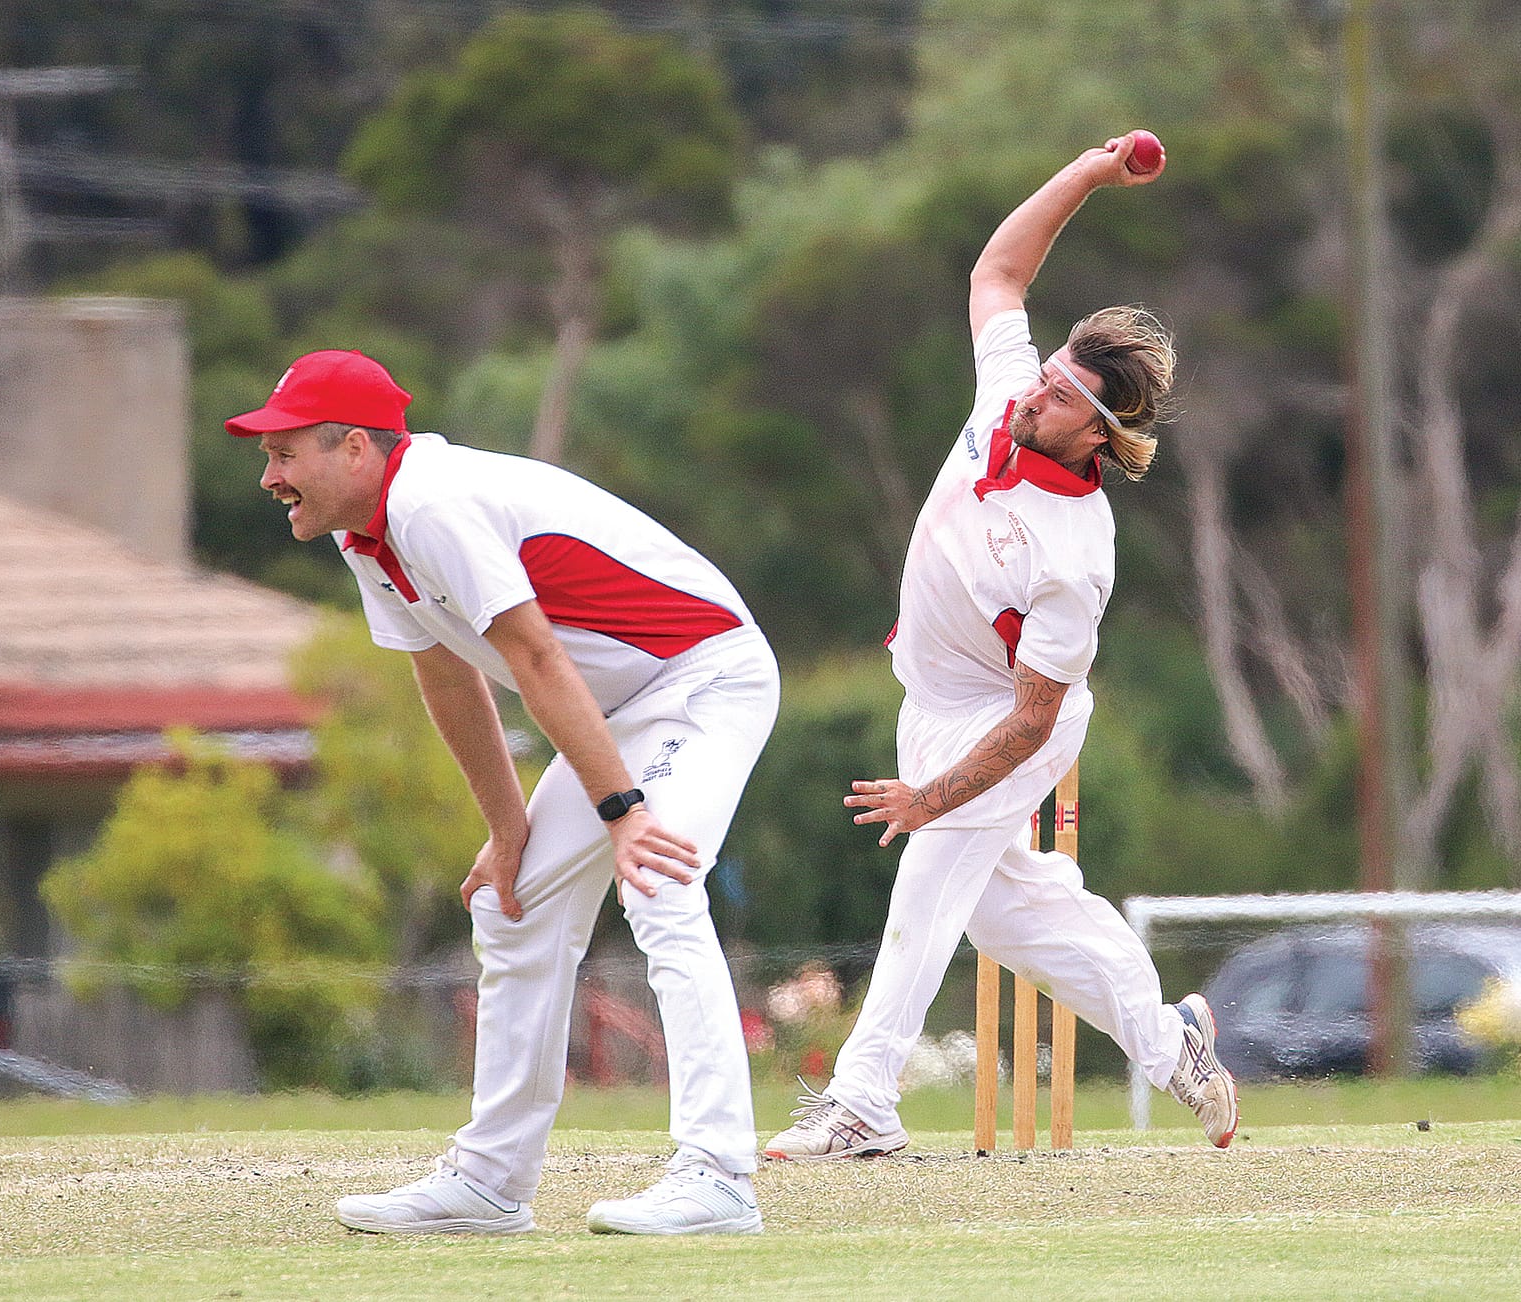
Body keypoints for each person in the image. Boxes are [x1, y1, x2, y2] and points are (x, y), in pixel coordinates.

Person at [762, 132, 1238, 1161]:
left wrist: (929, 800)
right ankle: (1173, 1043)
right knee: (1011, 917)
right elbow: (998, 274)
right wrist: (1091, 171)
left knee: (928, 879)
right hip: (932, 701)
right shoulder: (1007, 396)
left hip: (1011, 721)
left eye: (1060, 397)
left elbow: (1031, 719)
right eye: (1046, 376)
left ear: (1099, 437)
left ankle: (862, 1104)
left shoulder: (1075, 557)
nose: (1033, 396)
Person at [229, 349, 777, 1233]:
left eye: (285, 454)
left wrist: (625, 814)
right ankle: (490, 1184)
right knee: (509, 904)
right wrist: (508, 828)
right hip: (619, 706)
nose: (270, 477)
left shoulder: (428, 504)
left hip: (703, 677)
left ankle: (719, 1179)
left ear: (356, 448)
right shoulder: (365, 530)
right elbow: (447, 673)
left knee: (658, 878)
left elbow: (533, 655)